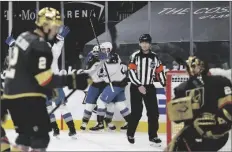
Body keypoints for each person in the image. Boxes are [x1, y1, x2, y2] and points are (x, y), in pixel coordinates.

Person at [2, 7, 89, 151]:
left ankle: (69, 129)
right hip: (35, 90)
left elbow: (23, 50)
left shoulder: (25, 38)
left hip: (15, 93)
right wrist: (72, 80)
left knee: (27, 134)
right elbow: (45, 78)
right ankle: (59, 129)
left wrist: (12, 43)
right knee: (40, 137)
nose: (55, 30)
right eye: (54, 27)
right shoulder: (42, 47)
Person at [165, 56, 232, 151]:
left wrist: (218, 125)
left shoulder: (220, 82)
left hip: (214, 135)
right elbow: (176, 118)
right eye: (189, 66)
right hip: (192, 134)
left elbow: (229, 109)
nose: (190, 69)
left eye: (193, 66)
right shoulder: (183, 88)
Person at [127, 34, 166, 146]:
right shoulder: (135, 56)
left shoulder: (155, 57)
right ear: (140, 44)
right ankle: (130, 133)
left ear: (150, 44)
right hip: (135, 87)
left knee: (154, 113)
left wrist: (164, 83)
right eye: (142, 42)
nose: (144, 44)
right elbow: (131, 73)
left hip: (149, 87)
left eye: (146, 42)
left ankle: (153, 136)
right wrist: (139, 85)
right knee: (137, 112)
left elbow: (159, 72)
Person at [89, 42, 131, 131]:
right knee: (120, 104)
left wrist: (102, 73)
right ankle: (130, 122)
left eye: (104, 49)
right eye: (102, 49)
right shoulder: (109, 57)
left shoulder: (112, 57)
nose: (102, 51)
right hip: (119, 84)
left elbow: (111, 71)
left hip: (115, 84)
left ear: (109, 49)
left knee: (100, 101)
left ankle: (100, 124)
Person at [80, 45, 117, 131]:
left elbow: (114, 69)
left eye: (99, 52)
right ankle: (85, 122)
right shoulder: (91, 59)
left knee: (110, 104)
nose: (97, 54)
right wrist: (84, 71)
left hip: (105, 85)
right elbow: (90, 68)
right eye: (95, 52)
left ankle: (107, 121)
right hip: (95, 84)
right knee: (90, 104)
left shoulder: (109, 59)